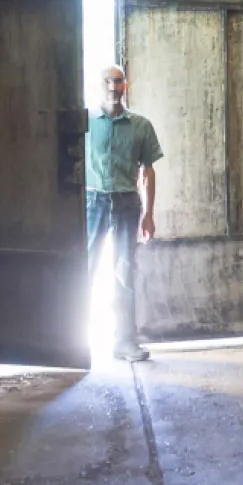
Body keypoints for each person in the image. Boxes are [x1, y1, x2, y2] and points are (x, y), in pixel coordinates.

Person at [85, 63, 162, 362]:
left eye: (118, 82)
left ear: (125, 87)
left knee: (124, 273)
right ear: (100, 84)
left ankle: (125, 343)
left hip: (128, 204)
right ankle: (76, 341)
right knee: (84, 271)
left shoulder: (140, 126)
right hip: (93, 204)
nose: (112, 87)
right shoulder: (87, 122)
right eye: (107, 81)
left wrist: (149, 214)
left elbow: (148, 172)